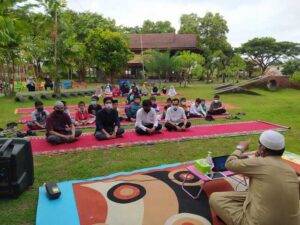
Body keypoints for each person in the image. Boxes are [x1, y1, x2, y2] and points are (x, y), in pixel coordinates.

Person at [209, 130, 300, 225]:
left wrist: (240, 148)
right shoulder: (290, 169)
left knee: (215, 198)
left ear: (262, 148)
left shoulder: (259, 163)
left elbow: (229, 164)